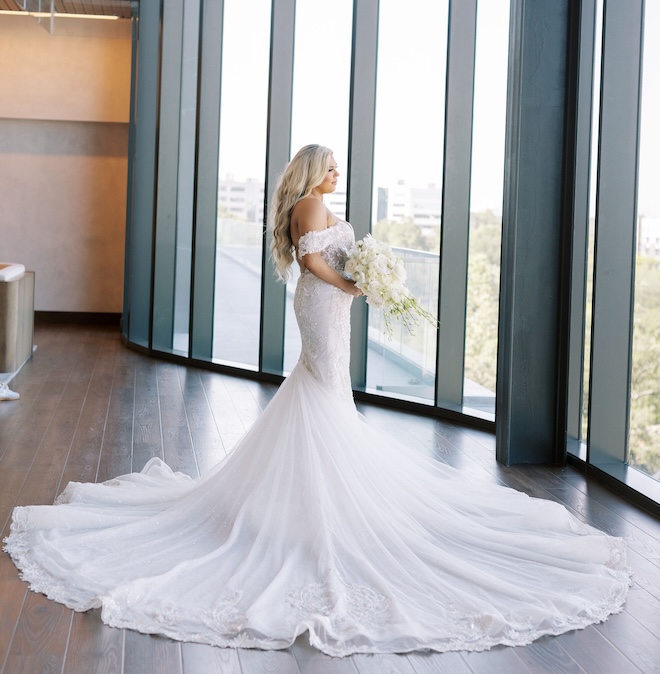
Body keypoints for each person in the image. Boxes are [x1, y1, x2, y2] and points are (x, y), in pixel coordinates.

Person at [4, 145, 630, 657]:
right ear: (313, 171)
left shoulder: (323, 203)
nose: (337, 171)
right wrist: (356, 282)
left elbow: (331, 257)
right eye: (331, 164)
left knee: (327, 393)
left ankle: (318, 498)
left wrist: (363, 277)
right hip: (323, 306)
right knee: (326, 390)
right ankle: (325, 507)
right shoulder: (309, 205)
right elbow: (312, 265)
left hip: (334, 308)